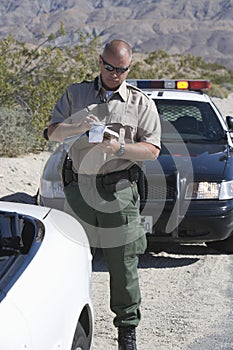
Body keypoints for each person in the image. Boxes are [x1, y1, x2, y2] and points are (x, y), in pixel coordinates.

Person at [48, 39, 161, 350]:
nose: (115, 74)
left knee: (123, 264)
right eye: (109, 67)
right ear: (99, 62)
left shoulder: (140, 104)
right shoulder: (76, 94)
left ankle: (127, 332)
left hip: (119, 192)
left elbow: (152, 150)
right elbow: (51, 132)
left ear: (129, 68)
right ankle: (68, 326)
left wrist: (120, 147)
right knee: (71, 261)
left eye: (121, 70)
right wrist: (74, 126)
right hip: (78, 191)